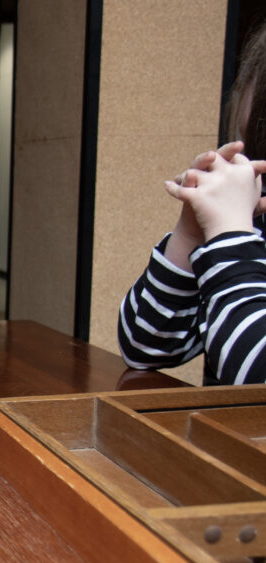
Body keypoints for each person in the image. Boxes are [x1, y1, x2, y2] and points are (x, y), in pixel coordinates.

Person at [118, 21, 266, 385]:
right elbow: (143, 346)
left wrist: (230, 235)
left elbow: (254, 375)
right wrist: (191, 233)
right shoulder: (255, 223)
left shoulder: (241, 237)